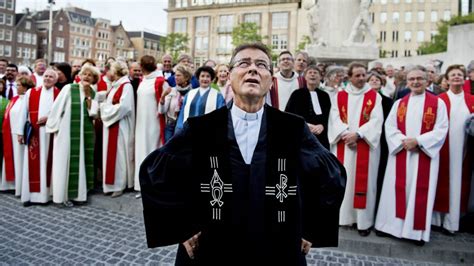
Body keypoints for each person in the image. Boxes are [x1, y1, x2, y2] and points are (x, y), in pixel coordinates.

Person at [139, 42, 346, 265]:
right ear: (229, 76)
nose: (252, 69)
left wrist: (311, 227)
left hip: (275, 245)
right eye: (243, 63)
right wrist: (181, 226)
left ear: (270, 80)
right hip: (214, 246)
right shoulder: (202, 128)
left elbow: (330, 174)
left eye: (261, 65)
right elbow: (156, 171)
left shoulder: (292, 128)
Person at [375, 66, 449, 245]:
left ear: (427, 81)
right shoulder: (399, 103)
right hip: (401, 152)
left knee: (419, 192)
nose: (415, 82)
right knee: (395, 191)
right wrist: (403, 141)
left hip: (423, 154)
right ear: (406, 82)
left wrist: (418, 141)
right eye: (412, 79)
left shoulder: (437, 103)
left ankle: (415, 233)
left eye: (419, 79)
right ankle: (390, 227)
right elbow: (390, 126)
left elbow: (441, 128)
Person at [328, 62, 384, 236]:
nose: (361, 78)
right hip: (343, 145)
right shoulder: (340, 96)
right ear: (350, 77)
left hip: (365, 146)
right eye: (357, 75)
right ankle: (343, 218)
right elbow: (334, 118)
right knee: (344, 181)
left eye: (363, 75)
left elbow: (376, 121)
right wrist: (345, 134)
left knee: (365, 183)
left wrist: (358, 134)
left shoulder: (374, 96)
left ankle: (363, 222)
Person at [45, 65, 100, 207]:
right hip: (66, 131)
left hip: (83, 134)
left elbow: (93, 113)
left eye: (90, 75)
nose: (87, 77)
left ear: (94, 79)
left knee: (81, 161)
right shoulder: (69, 88)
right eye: (84, 74)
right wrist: (53, 126)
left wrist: (88, 95)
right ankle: (61, 196)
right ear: (80, 75)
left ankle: (78, 195)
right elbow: (57, 107)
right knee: (64, 161)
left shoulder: (93, 92)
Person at [432, 65, 474, 235]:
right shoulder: (439, 99)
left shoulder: (471, 100)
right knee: (440, 180)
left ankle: (451, 223)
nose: (456, 77)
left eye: (459, 75)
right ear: (447, 80)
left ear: (464, 79)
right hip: (442, 147)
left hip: (464, 149)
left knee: (458, 183)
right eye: (453, 75)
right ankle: (436, 221)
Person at [20, 69, 60, 206]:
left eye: (51, 77)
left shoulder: (59, 94)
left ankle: (46, 196)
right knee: (32, 164)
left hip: (50, 134)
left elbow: (62, 113)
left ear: (55, 80)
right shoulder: (32, 92)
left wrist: (49, 118)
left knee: (47, 164)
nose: (47, 78)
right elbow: (23, 113)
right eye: (46, 76)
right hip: (34, 133)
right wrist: (20, 132)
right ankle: (30, 196)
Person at [100, 61, 135, 198]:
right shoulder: (116, 85)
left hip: (120, 125)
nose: (107, 73)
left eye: (110, 70)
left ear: (116, 72)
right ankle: (109, 184)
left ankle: (118, 185)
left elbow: (125, 107)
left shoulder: (126, 86)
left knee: (118, 156)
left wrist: (103, 109)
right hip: (111, 124)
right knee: (110, 155)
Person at [134, 55, 166, 192]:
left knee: (152, 150)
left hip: (154, 121)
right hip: (141, 121)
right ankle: (140, 183)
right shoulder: (143, 80)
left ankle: (152, 184)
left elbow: (166, 103)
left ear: (142, 66)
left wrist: (163, 100)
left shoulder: (159, 80)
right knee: (141, 149)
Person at [0, 77, 34, 196]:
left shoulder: (29, 99)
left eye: (18, 85)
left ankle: (19, 186)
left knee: (19, 159)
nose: (16, 87)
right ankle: (9, 184)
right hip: (10, 133)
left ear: (25, 86)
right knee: (10, 158)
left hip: (21, 134)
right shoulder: (14, 99)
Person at [285, 65, 331, 149]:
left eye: (315, 73)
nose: (312, 75)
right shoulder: (297, 94)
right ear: (305, 77)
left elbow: (329, 116)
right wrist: (306, 125)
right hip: (302, 135)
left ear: (320, 77)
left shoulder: (325, 96)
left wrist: (322, 125)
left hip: (321, 137)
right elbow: (289, 114)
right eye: (310, 73)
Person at [367, 72, 393, 210]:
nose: (374, 81)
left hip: (382, 138)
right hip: (367, 137)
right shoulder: (364, 99)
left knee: (380, 171)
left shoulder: (387, 101)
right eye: (371, 79)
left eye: (377, 79)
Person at [175, 66, 225, 132]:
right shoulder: (190, 94)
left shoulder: (218, 96)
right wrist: (178, 131)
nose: (205, 79)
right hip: (188, 133)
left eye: (208, 76)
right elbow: (182, 115)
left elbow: (221, 117)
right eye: (202, 76)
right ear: (198, 78)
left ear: (211, 79)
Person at [158, 65, 192, 143]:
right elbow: (161, 111)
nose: (175, 77)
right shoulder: (171, 91)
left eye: (178, 75)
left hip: (184, 127)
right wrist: (163, 97)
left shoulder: (192, 93)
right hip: (170, 126)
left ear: (186, 77)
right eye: (175, 75)